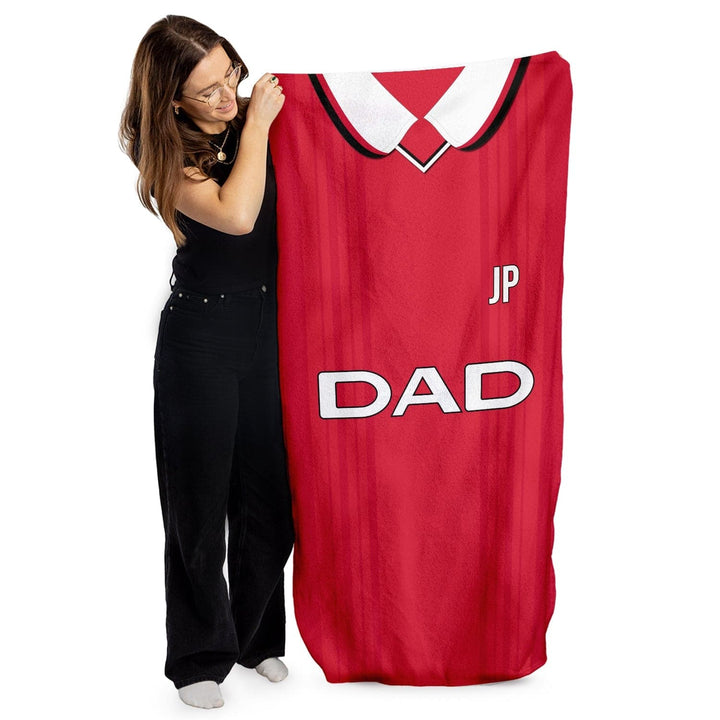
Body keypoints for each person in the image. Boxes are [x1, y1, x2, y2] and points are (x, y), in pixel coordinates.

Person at [119, 15, 295, 709]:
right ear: (172, 101)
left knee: (271, 501)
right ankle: (197, 657)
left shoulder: (254, 114)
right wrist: (257, 128)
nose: (229, 97)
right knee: (198, 506)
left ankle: (255, 639)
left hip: (271, 330)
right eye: (208, 91)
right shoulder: (161, 151)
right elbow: (237, 214)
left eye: (232, 76)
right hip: (200, 339)